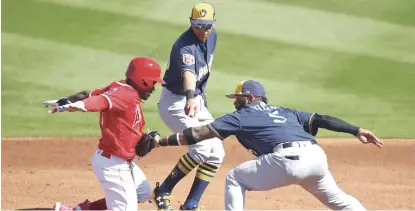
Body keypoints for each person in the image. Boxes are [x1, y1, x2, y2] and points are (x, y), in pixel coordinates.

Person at [154, 80, 384, 210]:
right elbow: (322, 119)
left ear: (251, 98)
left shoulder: (241, 116)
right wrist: (356, 130)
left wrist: (161, 142)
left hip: (288, 161)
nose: (236, 102)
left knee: (235, 178)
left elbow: (197, 133)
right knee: (338, 200)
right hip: (316, 158)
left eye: (239, 97)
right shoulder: (286, 111)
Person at [43, 57, 165, 211]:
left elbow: (90, 94)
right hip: (114, 165)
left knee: (142, 192)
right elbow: (100, 101)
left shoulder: (119, 87)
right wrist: (80, 106)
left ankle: (81, 210)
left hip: (117, 160)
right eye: (153, 82)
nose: (153, 88)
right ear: (143, 80)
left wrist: (69, 99)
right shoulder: (126, 95)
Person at [153, 2, 223, 210]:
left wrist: (199, 99)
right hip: (176, 102)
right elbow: (189, 74)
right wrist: (191, 96)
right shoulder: (184, 45)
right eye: (198, 25)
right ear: (191, 23)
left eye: (207, 25)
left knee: (217, 152)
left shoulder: (213, 36)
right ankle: (164, 190)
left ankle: (191, 204)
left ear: (213, 23)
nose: (203, 30)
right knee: (201, 147)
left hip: (197, 101)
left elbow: (204, 73)